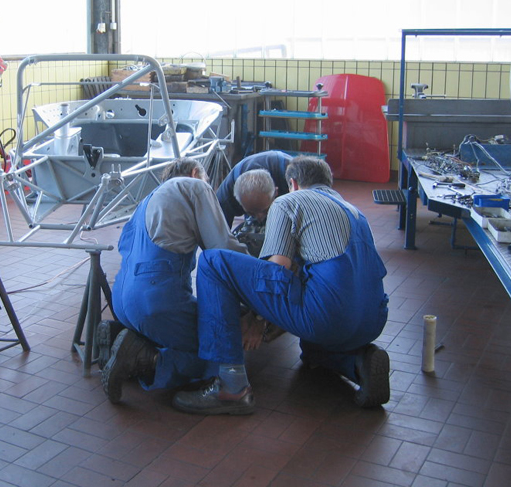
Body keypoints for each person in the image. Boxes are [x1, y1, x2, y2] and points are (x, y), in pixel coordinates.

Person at [173, 156, 390, 415]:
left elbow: (276, 271)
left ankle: (231, 385)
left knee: (213, 262)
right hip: (373, 320)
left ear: (293, 184)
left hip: (328, 318)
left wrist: (256, 319)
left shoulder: (289, 201)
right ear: (328, 182)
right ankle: (358, 364)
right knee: (311, 348)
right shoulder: (355, 211)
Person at [99, 157, 249, 404]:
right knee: (219, 348)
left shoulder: (146, 203)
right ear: (195, 173)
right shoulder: (194, 186)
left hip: (122, 302)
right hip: (156, 301)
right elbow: (222, 250)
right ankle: (147, 360)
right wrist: (258, 265)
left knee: (169, 331)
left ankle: (123, 338)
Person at [216, 150, 293, 227]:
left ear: (276, 192)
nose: (260, 218)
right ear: (237, 199)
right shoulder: (225, 197)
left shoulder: (293, 175)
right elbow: (218, 230)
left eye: (265, 210)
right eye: (251, 213)